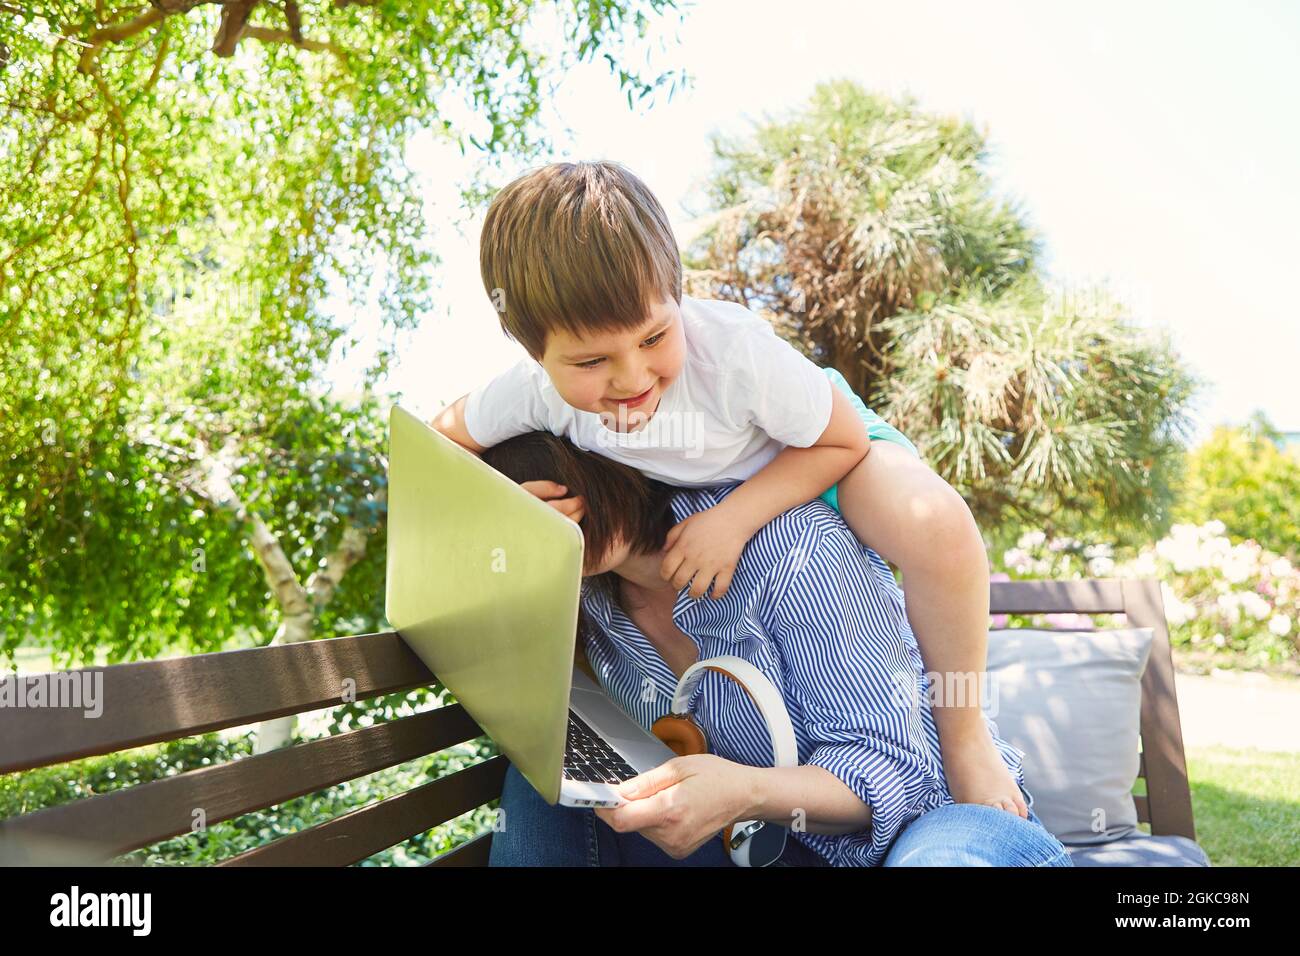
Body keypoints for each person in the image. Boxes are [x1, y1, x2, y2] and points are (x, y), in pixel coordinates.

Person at [432, 159, 1024, 818]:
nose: (632, 376)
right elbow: (439, 447)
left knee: (933, 525)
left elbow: (841, 441)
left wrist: (736, 519)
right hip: (700, 491)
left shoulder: (735, 354)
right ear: (534, 354)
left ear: (677, 297)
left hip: (812, 445)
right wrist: (506, 508)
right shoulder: (529, 394)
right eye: (592, 361)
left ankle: (968, 739)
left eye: (655, 337)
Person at [478, 431, 1072, 867]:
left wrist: (748, 789)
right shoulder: (594, 602)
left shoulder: (789, 546)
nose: (542, 530)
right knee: (544, 780)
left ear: (607, 463)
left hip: (941, 824)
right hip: (769, 846)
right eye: (514, 518)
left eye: (552, 501)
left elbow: (901, 774)